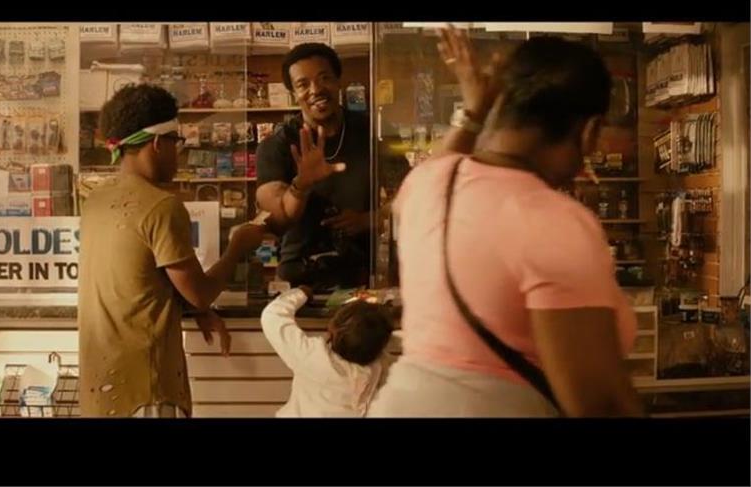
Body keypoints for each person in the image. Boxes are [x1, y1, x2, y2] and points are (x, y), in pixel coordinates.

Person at [368, 27, 642, 417]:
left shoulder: (426, 185)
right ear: (589, 132)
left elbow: (446, 162)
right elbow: (599, 404)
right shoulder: (553, 220)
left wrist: (474, 111)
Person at [79, 84, 266, 418]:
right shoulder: (162, 206)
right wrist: (237, 246)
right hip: (146, 391)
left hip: (100, 390)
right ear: (156, 143)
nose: (178, 153)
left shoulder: (95, 201)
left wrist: (194, 310)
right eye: (176, 142)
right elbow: (200, 293)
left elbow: (137, 280)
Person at [255, 43, 373, 290]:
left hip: (365, 275)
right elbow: (276, 220)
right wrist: (302, 185)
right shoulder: (276, 146)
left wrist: (371, 219)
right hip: (300, 280)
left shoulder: (371, 133)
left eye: (324, 78)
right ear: (293, 93)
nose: (316, 90)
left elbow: (410, 193)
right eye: (303, 84)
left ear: (338, 81)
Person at [261, 286, 394, 417]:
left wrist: (301, 293)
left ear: (331, 329)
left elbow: (272, 315)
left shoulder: (313, 356)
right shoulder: (382, 367)